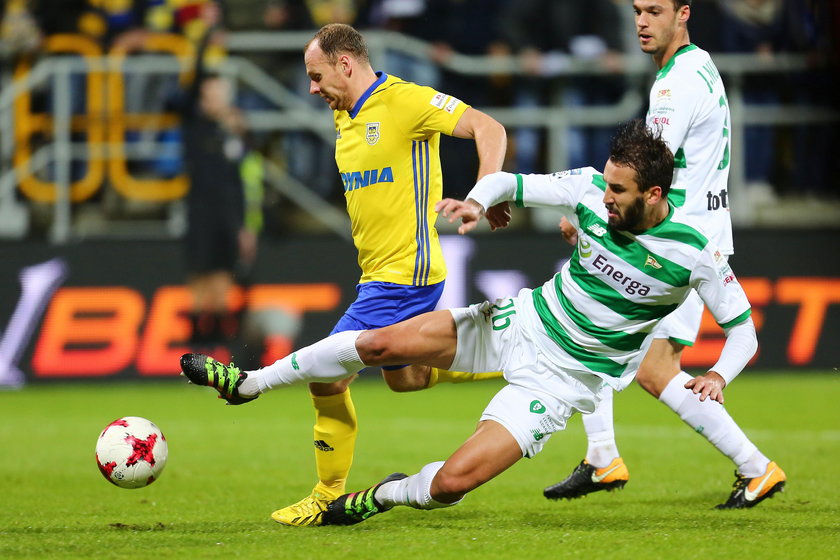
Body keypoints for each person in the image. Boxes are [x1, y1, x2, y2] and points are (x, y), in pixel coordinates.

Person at [180, 119, 784, 523]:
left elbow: (744, 329)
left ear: (653, 195)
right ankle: (249, 383)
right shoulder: (588, 189)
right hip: (519, 322)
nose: (606, 199)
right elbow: (513, 182)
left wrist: (721, 376)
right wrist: (478, 198)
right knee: (382, 345)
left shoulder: (694, 253)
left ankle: (381, 495)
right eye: (607, 185)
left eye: (620, 192)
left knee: (449, 487)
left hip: (561, 384)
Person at [201, 23, 507, 526]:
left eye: (317, 76)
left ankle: (326, 493)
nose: (312, 88)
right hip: (378, 275)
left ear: (345, 64)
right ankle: (514, 355)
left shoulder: (405, 101)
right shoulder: (345, 119)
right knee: (406, 379)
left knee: (326, 378)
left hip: (405, 273)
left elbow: (489, 128)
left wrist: (484, 194)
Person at [544, 0, 785, 509]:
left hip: (679, 248)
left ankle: (755, 467)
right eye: (636, 10)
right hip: (694, 233)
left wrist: (595, 208)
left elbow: (647, 170)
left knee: (629, 352)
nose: (641, 21)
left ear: (684, 13)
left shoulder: (674, 86)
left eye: (654, 10)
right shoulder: (699, 65)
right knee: (608, 335)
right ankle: (603, 456)